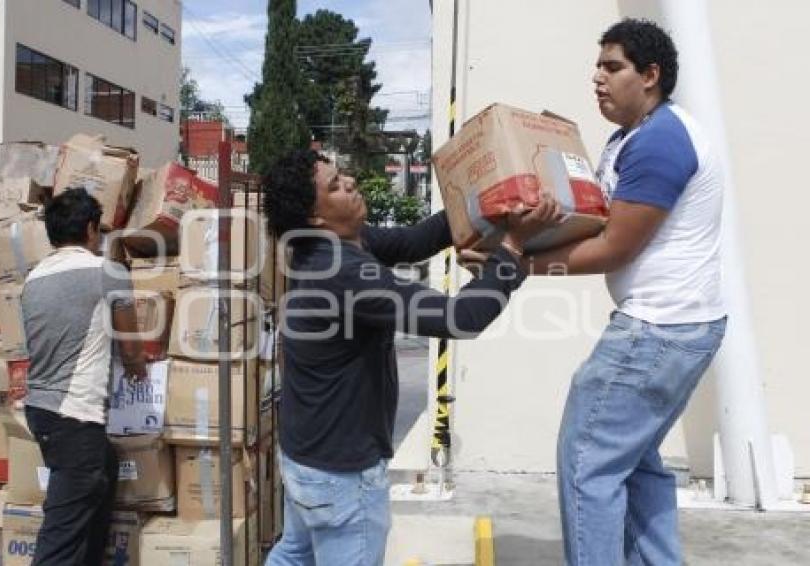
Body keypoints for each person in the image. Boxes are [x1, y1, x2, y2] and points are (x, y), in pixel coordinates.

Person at [262, 149, 560, 565]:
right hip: (341, 475)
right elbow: (461, 318)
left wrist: (489, 199)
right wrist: (511, 251)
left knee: (293, 555)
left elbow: (416, 240)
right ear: (315, 217)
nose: (349, 183)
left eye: (342, 175)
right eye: (334, 185)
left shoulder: (329, 243)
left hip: (305, 456)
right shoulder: (344, 272)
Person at [516, 18, 726, 566]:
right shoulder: (628, 139)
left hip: (659, 329)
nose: (597, 78)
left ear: (651, 75)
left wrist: (517, 265)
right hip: (679, 325)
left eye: (613, 67)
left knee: (587, 460)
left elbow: (616, 247)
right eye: (598, 67)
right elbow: (593, 220)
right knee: (634, 462)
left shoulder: (661, 142)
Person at [21, 187, 147, 566]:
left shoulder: (34, 278)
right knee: (61, 538)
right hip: (75, 416)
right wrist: (141, 369)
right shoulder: (107, 272)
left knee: (101, 477)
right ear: (92, 229)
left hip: (41, 410)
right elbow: (130, 347)